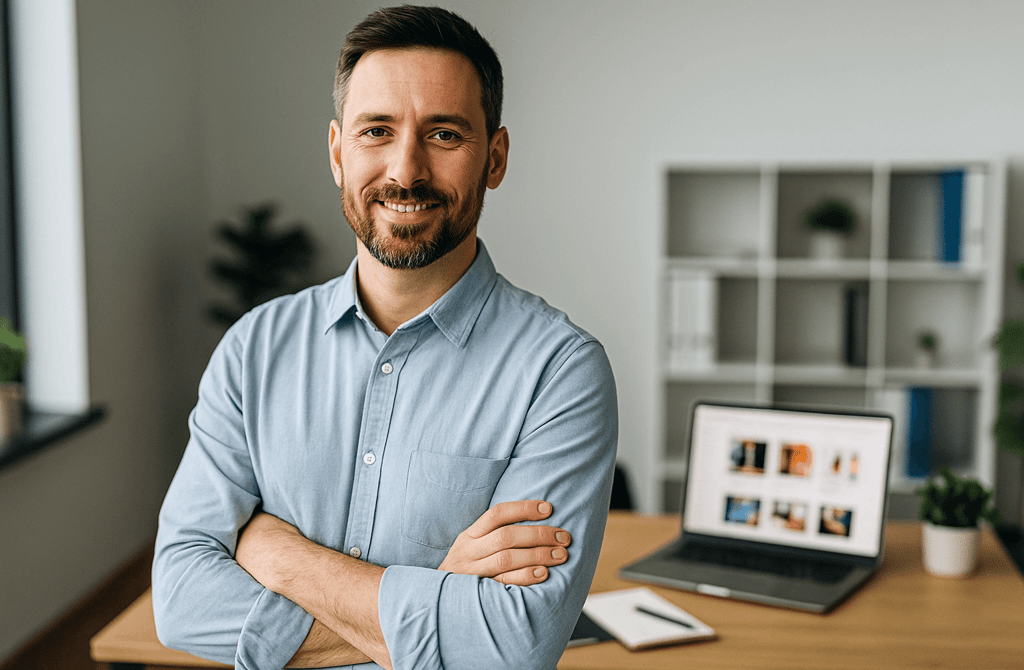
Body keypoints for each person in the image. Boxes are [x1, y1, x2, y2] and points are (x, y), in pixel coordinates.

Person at [151, 6, 618, 670]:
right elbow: (180, 602)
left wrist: (279, 553)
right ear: (339, 153)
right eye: (377, 131)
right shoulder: (253, 349)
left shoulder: (562, 372)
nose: (406, 169)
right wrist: (439, 598)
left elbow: (514, 646)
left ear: (496, 157)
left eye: (445, 134)